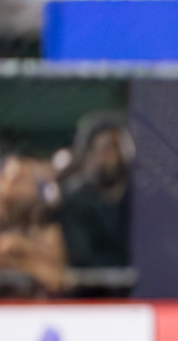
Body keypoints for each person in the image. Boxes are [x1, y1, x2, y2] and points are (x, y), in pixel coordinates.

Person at [57, 112, 134, 287]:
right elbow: (84, 260)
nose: (111, 157)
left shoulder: (139, 199)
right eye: (104, 149)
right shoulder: (76, 201)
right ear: (88, 154)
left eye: (117, 148)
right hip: (93, 296)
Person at [0, 154, 66, 297]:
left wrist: (23, 249)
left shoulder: (46, 225)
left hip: (31, 308)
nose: (25, 186)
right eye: (18, 179)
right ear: (1, 181)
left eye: (31, 180)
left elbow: (56, 279)